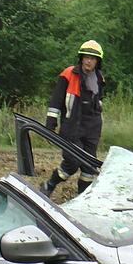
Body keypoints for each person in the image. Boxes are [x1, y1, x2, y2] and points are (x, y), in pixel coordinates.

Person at [41, 40, 106, 197]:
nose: (89, 61)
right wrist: (51, 122)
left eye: (92, 58)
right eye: (86, 57)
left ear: (97, 61)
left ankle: (82, 199)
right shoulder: (68, 74)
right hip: (72, 127)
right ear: (81, 58)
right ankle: (49, 184)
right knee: (73, 162)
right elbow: (56, 100)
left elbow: (98, 103)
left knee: (89, 167)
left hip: (92, 128)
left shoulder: (99, 78)